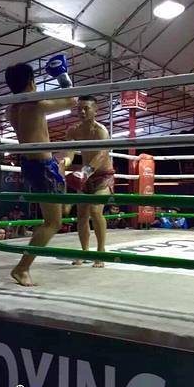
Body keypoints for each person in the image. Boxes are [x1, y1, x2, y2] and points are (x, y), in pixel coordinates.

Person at [5, 56, 77, 286]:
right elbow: (72, 101)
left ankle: (40, 241)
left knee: (60, 211)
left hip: (34, 165)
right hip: (42, 167)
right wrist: (62, 77)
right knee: (53, 222)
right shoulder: (35, 104)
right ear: (30, 82)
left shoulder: (11, 109)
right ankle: (22, 268)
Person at [63, 96, 115, 268]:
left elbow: (102, 154)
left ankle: (100, 252)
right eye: (79, 109)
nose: (82, 112)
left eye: (86, 108)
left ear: (95, 110)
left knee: (95, 210)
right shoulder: (73, 130)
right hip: (85, 176)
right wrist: (64, 162)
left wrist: (85, 172)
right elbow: (70, 152)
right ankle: (84, 252)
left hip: (103, 176)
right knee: (82, 215)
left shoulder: (101, 131)